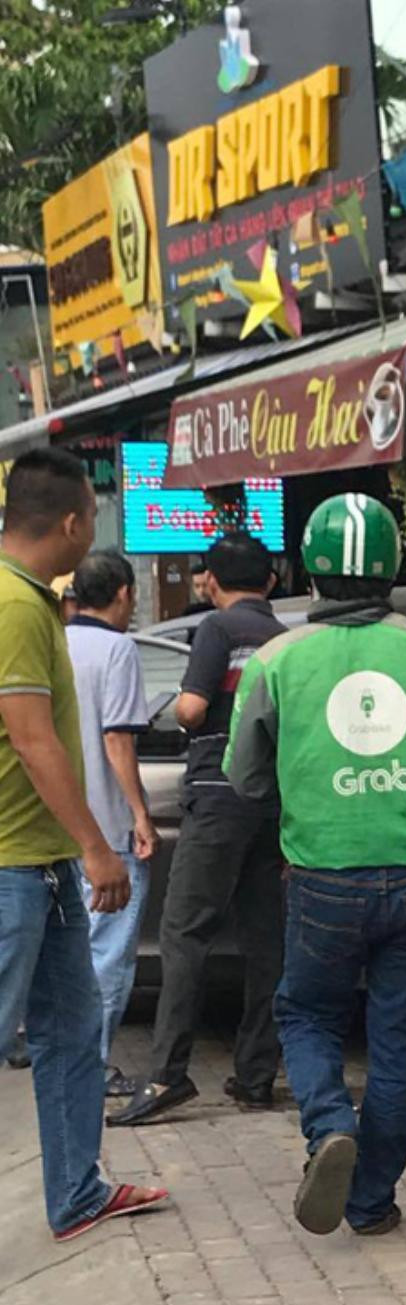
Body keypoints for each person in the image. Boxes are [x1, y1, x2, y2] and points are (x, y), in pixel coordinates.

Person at [224, 493, 406, 1237]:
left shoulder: (277, 659)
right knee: (399, 1041)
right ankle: (372, 1199)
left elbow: (243, 777)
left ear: (309, 570)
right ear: (394, 566)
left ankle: (327, 1128)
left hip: (321, 877)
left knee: (307, 1011)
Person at [0, 448, 168, 1239]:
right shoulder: (12, 603)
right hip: (12, 867)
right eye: (94, 518)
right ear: (70, 522)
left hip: (43, 865)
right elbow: (34, 741)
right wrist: (98, 847)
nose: (93, 532)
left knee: (70, 1035)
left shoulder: (35, 601)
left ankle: (77, 1192)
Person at [110, 534, 285, 1126]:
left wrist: (193, 711)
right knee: (268, 941)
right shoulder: (285, 639)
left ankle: (166, 1077)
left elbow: (187, 709)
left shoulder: (218, 629)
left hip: (217, 795)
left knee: (185, 934)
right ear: (271, 581)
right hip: (275, 803)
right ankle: (257, 1076)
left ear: (210, 580)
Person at [66, 550, 160, 1097]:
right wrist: (140, 815)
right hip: (106, 830)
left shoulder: (52, 642)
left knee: (64, 952)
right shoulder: (117, 649)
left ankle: (61, 1059)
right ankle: (92, 1065)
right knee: (107, 955)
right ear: (125, 594)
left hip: (52, 829)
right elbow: (117, 738)